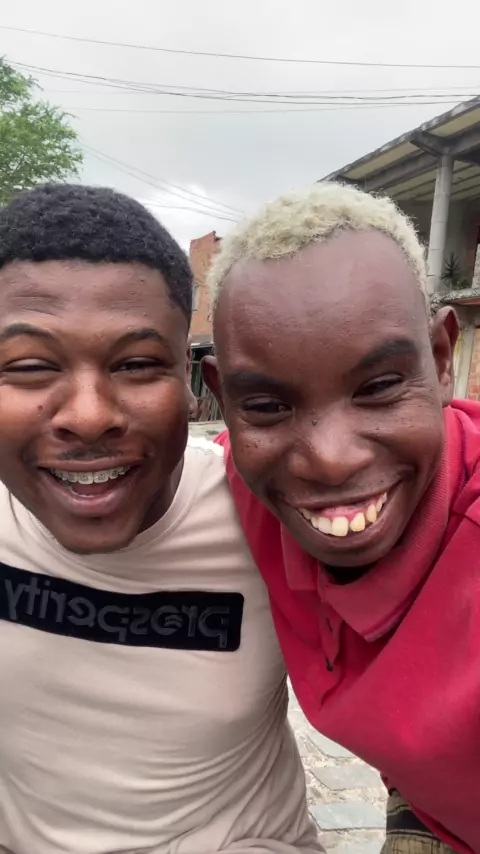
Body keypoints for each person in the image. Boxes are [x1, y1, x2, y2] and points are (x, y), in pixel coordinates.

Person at [0, 184, 322, 854]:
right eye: (29, 367)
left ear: (193, 383)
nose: (89, 416)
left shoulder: (275, 513)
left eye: (137, 365)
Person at [203, 182, 480, 854]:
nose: (329, 461)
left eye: (379, 387)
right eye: (267, 406)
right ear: (223, 400)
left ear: (441, 359)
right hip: (430, 802)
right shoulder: (237, 485)